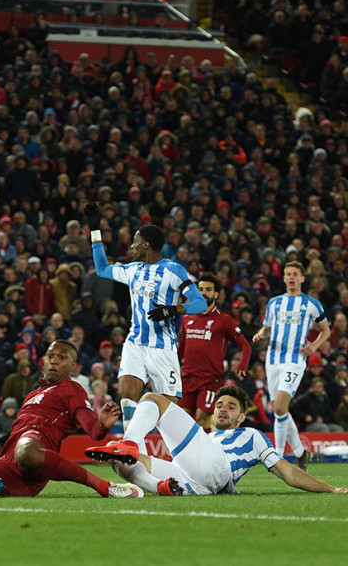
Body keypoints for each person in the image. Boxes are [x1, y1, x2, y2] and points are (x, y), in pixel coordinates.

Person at [0, 340, 143, 500]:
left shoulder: (71, 388)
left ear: (73, 367)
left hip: (33, 451)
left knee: (26, 449)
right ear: (44, 360)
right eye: (51, 356)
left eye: (62, 357)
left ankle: (104, 486)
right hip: (7, 463)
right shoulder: (33, 393)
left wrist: (102, 425)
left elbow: (93, 430)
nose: (54, 361)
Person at [86, 386, 348, 496]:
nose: (223, 409)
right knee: (116, 458)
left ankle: (130, 441)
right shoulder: (208, 437)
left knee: (152, 398)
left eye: (231, 407)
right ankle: (161, 487)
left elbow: (286, 471)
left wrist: (330, 489)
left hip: (218, 466)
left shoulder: (252, 435)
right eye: (219, 405)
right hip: (196, 482)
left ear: (242, 417)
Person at [84, 203, 206, 431]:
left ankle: (176, 449)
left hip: (163, 348)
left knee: (169, 413)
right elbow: (101, 269)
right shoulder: (132, 270)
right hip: (135, 343)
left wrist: (172, 310)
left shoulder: (173, 271)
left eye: (135, 241)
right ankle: (133, 445)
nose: (132, 246)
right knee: (127, 395)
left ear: (146, 244)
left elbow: (200, 303)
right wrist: (95, 231)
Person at [251, 261, 330, 468]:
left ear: (302, 278)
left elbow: (326, 330)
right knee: (281, 410)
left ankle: (277, 457)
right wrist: (260, 333)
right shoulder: (274, 303)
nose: (291, 277)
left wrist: (315, 346)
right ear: (284, 278)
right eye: (288, 274)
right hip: (272, 360)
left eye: (295, 274)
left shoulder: (312, 304)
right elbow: (267, 327)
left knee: (279, 406)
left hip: (294, 360)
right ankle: (300, 452)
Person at [177, 273, 252, 430]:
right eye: (201, 289)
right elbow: (181, 348)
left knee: (201, 417)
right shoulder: (187, 318)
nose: (204, 293)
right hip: (188, 377)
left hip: (210, 379)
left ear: (216, 294)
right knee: (180, 420)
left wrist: (243, 365)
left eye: (208, 289)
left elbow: (245, 345)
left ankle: (205, 446)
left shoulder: (223, 320)